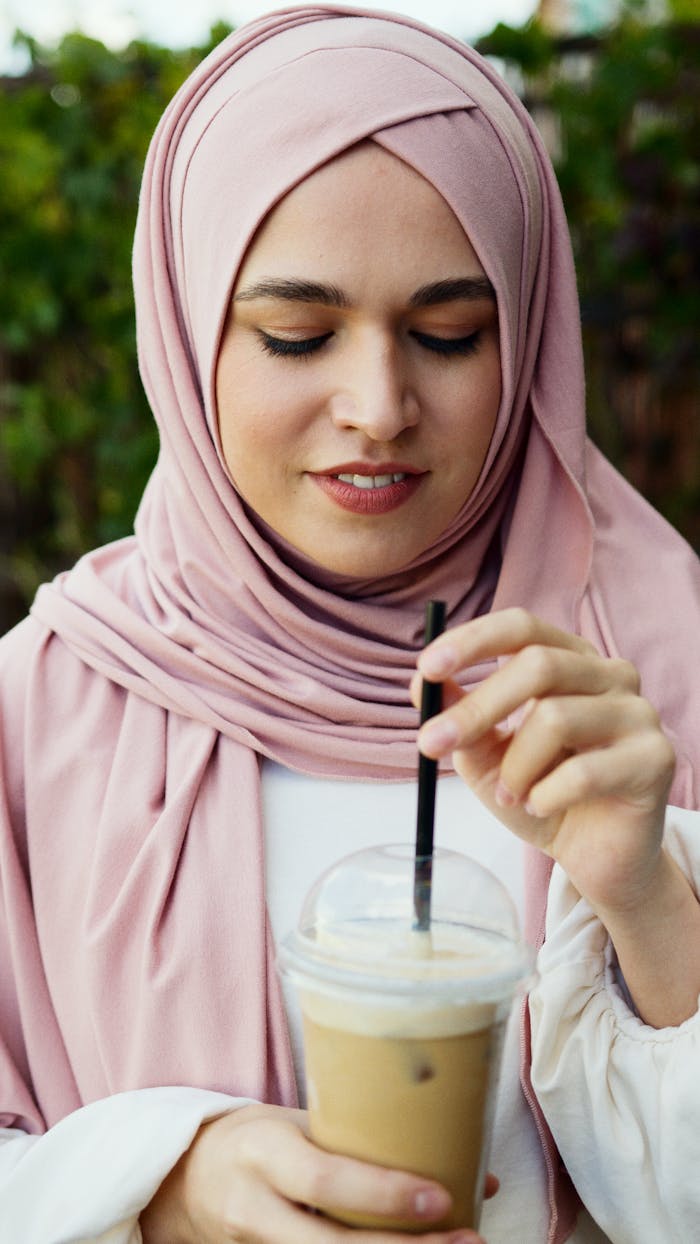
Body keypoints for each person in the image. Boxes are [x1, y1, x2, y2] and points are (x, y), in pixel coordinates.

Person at [1, 5, 700, 1243]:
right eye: (296, 334)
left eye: (448, 334)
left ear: (528, 340)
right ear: (186, 335)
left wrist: (649, 896)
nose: (378, 406)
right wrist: (157, 1175)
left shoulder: (652, 672)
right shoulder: (43, 707)